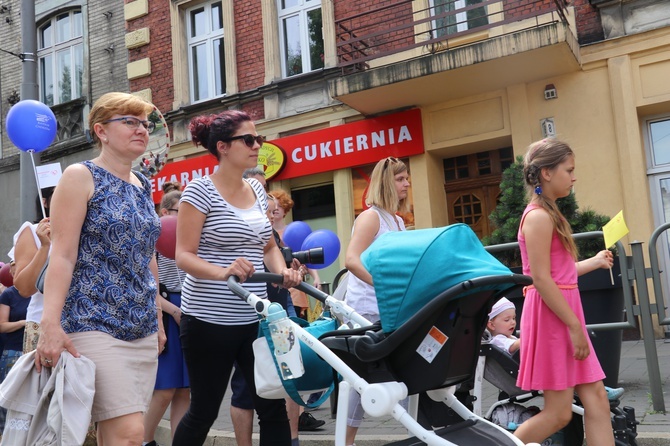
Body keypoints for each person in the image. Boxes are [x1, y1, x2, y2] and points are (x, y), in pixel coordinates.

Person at [36, 92, 167, 445]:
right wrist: (50, 324)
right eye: (129, 121)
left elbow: (146, 254)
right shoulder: (80, 176)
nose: (141, 129)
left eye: (144, 123)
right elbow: (62, 255)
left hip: (139, 324)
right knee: (129, 433)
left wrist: (156, 319)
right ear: (101, 131)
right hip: (93, 320)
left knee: (122, 435)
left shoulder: (143, 184)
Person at [172, 109, 301, 446]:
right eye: (248, 139)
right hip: (208, 319)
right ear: (223, 147)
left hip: (255, 316)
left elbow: (269, 245)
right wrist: (223, 271)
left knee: (271, 406)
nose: (257, 145)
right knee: (204, 411)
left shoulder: (258, 192)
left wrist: (281, 272)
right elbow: (183, 255)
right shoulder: (198, 192)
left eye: (258, 138)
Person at [513, 138, 614, 445]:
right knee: (559, 413)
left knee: (597, 398)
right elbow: (540, 279)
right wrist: (573, 326)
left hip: (561, 312)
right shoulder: (539, 217)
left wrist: (593, 262)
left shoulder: (549, 213)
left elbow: (559, 274)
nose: (573, 177)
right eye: (568, 170)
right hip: (553, 317)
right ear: (546, 173)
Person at [343, 156, 410, 446]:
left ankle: (413, 432)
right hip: (366, 309)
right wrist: (383, 286)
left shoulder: (397, 220)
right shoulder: (371, 217)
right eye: (400, 178)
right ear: (386, 182)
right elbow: (351, 260)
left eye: (407, 178)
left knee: (400, 371)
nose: (407, 183)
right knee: (359, 379)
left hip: (390, 309)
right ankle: (345, 441)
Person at [143, 188, 190, 446]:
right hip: (167, 312)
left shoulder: (190, 238)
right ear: (165, 213)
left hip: (191, 309)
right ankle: (144, 440)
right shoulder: (155, 243)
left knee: (185, 388)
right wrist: (173, 311)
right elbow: (149, 288)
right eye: (180, 212)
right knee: (165, 388)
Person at [10, 187, 55, 353]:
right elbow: (24, 288)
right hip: (43, 323)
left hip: (90, 324)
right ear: (45, 201)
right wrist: (44, 247)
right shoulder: (33, 231)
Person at [0, 260, 31, 431]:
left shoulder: (39, 292)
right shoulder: (8, 294)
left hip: (33, 352)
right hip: (13, 352)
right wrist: (23, 323)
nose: (12, 267)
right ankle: (5, 435)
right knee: (7, 396)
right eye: (11, 263)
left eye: (16, 263)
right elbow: (2, 325)